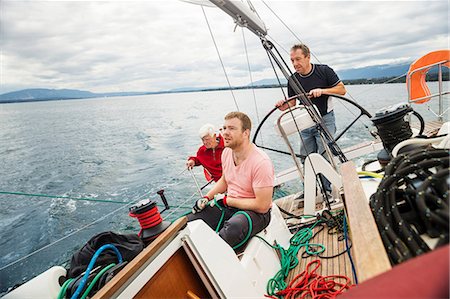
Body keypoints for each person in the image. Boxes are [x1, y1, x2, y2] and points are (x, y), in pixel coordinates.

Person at [187, 112, 274, 250]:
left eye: (231, 128)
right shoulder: (227, 153)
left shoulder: (261, 162)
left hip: (256, 213)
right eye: (224, 128)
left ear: (246, 133)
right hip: (230, 206)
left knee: (234, 228)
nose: (225, 133)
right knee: (191, 221)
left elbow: (262, 205)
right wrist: (206, 197)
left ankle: (211, 259)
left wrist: (228, 200)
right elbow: (225, 180)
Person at [275, 44, 346, 191]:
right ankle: (310, 191)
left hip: (325, 119)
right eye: (292, 60)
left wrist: (323, 90)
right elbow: (293, 104)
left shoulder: (324, 71)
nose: (295, 64)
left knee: (323, 155)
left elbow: (342, 90)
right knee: (305, 157)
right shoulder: (292, 80)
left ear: (308, 57)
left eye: (298, 59)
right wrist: (283, 105)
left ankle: (328, 189)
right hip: (305, 122)